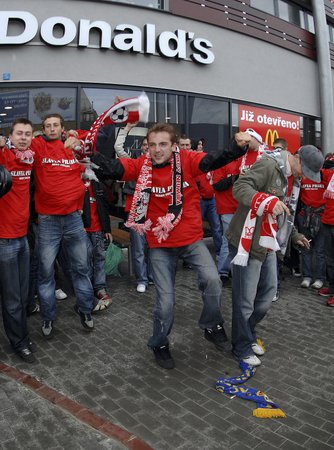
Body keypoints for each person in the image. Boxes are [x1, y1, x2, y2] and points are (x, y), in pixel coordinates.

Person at [91, 123, 249, 369]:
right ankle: (159, 342)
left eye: (163, 144)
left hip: (191, 241)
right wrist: (85, 152)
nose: (156, 150)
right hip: (161, 246)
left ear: (174, 146)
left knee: (213, 281)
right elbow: (113, 168)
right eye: (152, 145)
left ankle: (211, 325)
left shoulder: (187, 159)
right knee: (165, 304)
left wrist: (235, 148)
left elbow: (213, 161)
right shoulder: (142, 166)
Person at [227, 142, 324, 366]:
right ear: (297, 159)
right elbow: (240, 188)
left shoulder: (293, 179)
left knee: (267, 295)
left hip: (268, 243)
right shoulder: (270, 165)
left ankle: (248, 333)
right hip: (247, 242)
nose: (306, 177)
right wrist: (267, 201)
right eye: (306, 171)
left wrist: (295, 235)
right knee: (245, 301)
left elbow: (285, 213)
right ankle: (240, 347)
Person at [30, 113, 101, 339]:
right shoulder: (38, 145)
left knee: (81, 268)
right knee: (46, 273)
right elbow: (19, 142)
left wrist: (77, 140)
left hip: (73, 219)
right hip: (48, 221)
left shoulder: (74, 145)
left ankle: (85, 310)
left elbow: (94, 136)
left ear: (62, 128)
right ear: (43, 129)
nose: (52, 129)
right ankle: (48, 317)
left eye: (56, 125)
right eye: (47, 126)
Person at [0, 119, 37, 363]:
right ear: (10, 136)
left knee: (24, 296)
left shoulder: (30, 158)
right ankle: (18, 342)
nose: (23, 137)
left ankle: (21, 333)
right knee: (12, 297)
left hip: (23, 237)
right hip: (4, 240)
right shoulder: (3, 155)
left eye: (28, 134)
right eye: (19, 133)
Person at [114, 123, 153, 293]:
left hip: (154, 211)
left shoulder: (160, 163)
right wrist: (126, 129)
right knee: (138, 248)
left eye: (149, 145)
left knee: (154, 248)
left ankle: (151, 277)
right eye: (144, 145)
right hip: (136, 210)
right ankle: (142, 279)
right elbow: (118, 147)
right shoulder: (134, 162)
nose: (146, 148)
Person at [82, 176, 113, 306]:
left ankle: (100, 288)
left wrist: (107, 229)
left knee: (100, 258)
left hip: (98, 230)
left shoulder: (98, 184)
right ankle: (87, 289)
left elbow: (104, 207)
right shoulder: (76, 183)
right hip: (82, 230)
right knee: (85, 260)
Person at [317, 155, 334, 306]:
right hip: (328, 221)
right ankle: (332, 287)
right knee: (330, 259)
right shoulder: (330, 175)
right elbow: (318, 170)